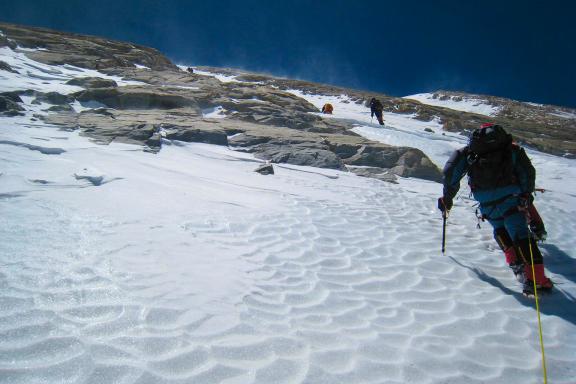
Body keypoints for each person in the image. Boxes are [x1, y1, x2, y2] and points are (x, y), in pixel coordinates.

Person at [438, 123, 553, 296]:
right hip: (511, 198)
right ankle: (537, 280)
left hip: (485, 202)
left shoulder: (470, 152)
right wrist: (526, 194)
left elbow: (450, 172)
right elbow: (527, 172)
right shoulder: (510, 149)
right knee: (520, 234)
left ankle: (516, 263)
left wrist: (447, 198)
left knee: (499, 228)